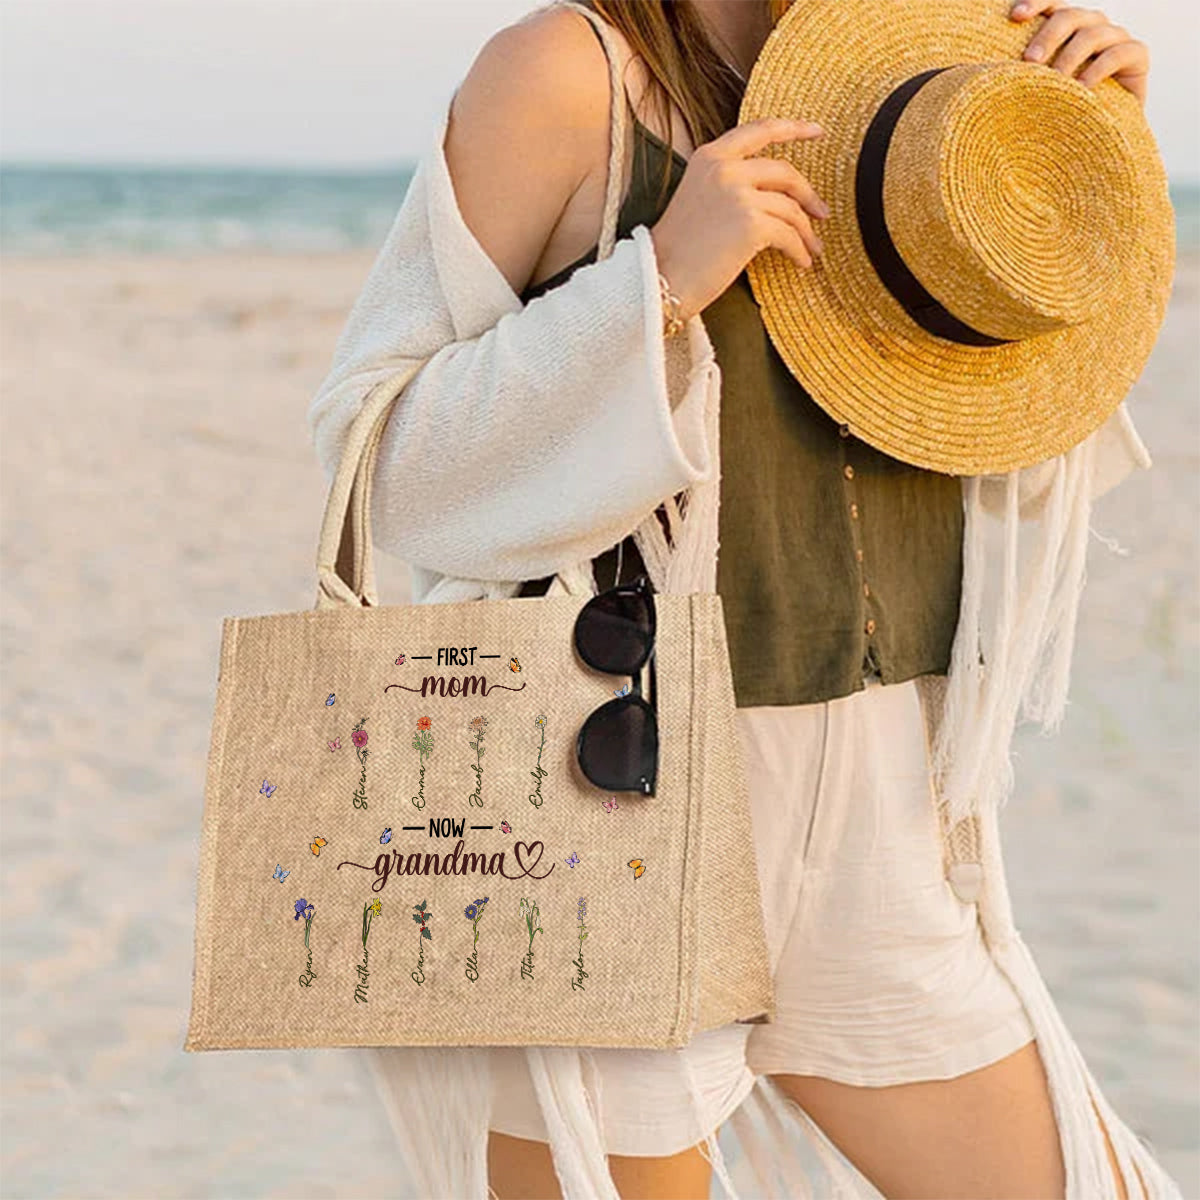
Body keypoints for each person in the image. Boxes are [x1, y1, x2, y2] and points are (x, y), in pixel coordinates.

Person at [309, 2, 1179, 1197]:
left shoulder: (943, 64)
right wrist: (658, 283)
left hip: (885, 797)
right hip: (597, 795)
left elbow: (1014, 447)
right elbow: (381, 462)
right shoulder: (568, 77)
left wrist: (1069, 177)